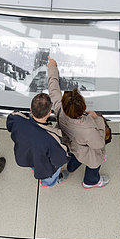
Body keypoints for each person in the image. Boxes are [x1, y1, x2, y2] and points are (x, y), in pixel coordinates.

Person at [47, 57, 109, 189]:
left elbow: (53, 89)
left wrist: (52, 67)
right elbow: (99, 143)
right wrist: (98, 119)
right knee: (94, 166)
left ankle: (71, 168)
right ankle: (90, 181)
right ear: (83, 107)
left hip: (71, 146)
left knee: (73, 159)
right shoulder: (89, 128)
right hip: (87, 154)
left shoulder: (59, 109)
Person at [7, 93, 70, 187]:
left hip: (25, 157)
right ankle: (48, 183)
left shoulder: (17, 119)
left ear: (30, 109)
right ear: (49, 113)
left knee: (33, 164)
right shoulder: (53, 139)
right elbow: (60, 160)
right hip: (42, 166)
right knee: (50, 177)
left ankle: (33, 168)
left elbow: (9, 125)